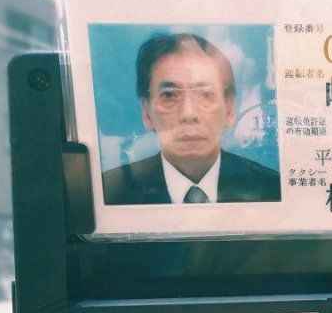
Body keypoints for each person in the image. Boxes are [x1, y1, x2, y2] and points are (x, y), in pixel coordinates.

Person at [102, 33, 280, 205]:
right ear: (147, 112)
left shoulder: (271, 189)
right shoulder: (110, 193)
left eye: (205, 95)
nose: (188, 114)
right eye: (169, 95)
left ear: (229, 109)